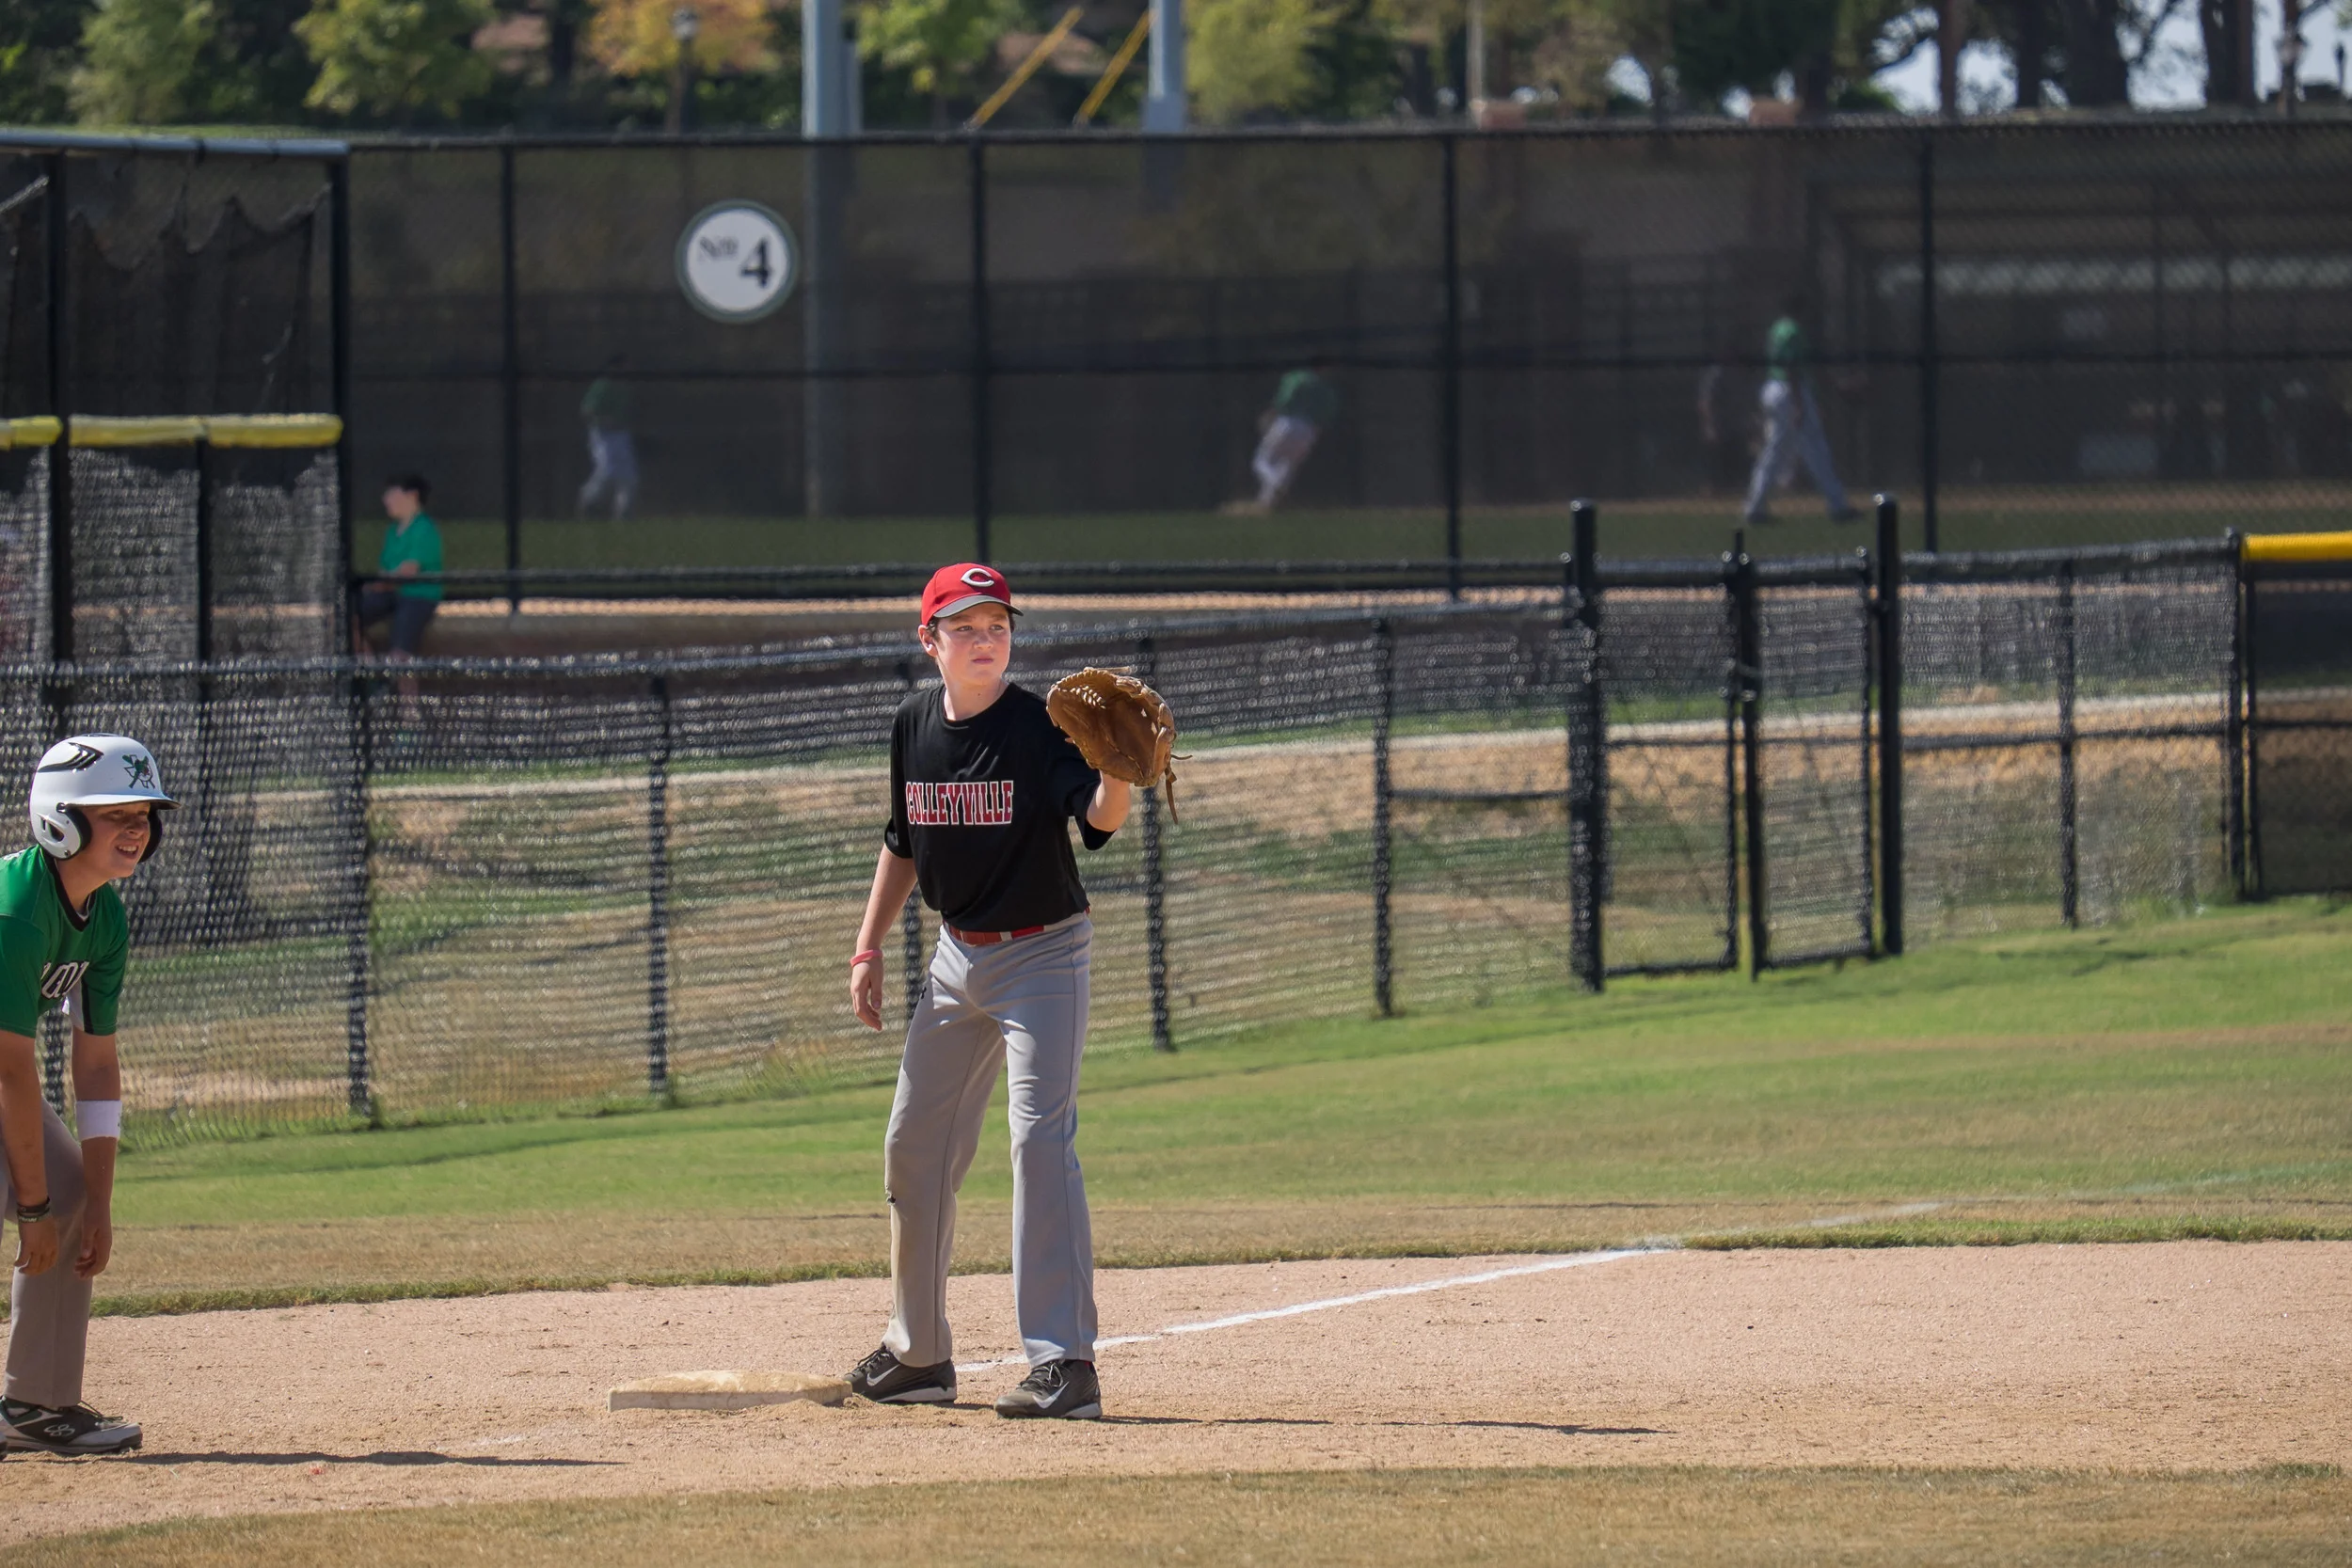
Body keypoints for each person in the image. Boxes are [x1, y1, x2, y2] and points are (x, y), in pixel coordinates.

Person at [842, 562, 1132, 1421]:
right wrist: (867, 944)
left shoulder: (1042, 725)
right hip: (954, 959)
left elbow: (1098, 819)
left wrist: (1118, 773)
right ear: (927, 640)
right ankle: (918, 1353)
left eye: (997, 625)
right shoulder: (913, 724)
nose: (984, 640)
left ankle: (1064, 1362)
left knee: (1039, 1141)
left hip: (1044, 954)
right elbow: (903, 838)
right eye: (963, 627)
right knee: (912, 1145)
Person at [0, 733, 175, 1456]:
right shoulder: (15, 908)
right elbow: (12, 1071)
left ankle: (34, 1405)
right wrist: (31, 1211)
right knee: (47, 1200)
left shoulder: (104, 917)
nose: (136, 828)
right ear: (61, 820)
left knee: (70, 1191)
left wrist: (95, 1202)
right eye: (115, 814)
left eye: (144, 815)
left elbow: (97, 1063)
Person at [1742, 296, 1861, 526]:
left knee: (1774, 453)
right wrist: (1798, 403)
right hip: (1790, 391)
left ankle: (1755, 507)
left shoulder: (1777, 328)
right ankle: (1838, 506)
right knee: (1815, 449)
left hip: (1773, 388)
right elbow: (1792, 365)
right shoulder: (1794, 330)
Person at [354, 473, 443, 661]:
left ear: (412, 496)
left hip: (417, 597)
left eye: (392, 494)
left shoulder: (425, 529)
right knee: (344, 618)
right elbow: (385, 571)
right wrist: (376, 585)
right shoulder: (392, 531)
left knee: (400, 655)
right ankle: (369, 668)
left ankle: (402, 679)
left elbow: (408, 572)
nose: (386, 500)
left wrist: (378, 584)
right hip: (390, 594)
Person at [1232, 364, 1340, 514]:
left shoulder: (1297, 377)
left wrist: (1272, 412)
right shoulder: (1327, 388)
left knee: (1261, 460)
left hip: (1289, 422)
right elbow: (1329, 413)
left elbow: (1286, 397)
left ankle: (1276, 485)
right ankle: (1265, 504)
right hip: (1310, 430)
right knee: (1287, 465)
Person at [577, 358, 638, 520]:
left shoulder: (625, 387)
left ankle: (623, 514)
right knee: (607, 470)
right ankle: (588, 501)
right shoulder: (602, 385)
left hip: (621, 433)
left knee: (629, 475)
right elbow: (587, 410)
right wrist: (603, 420)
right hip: (603, 434)